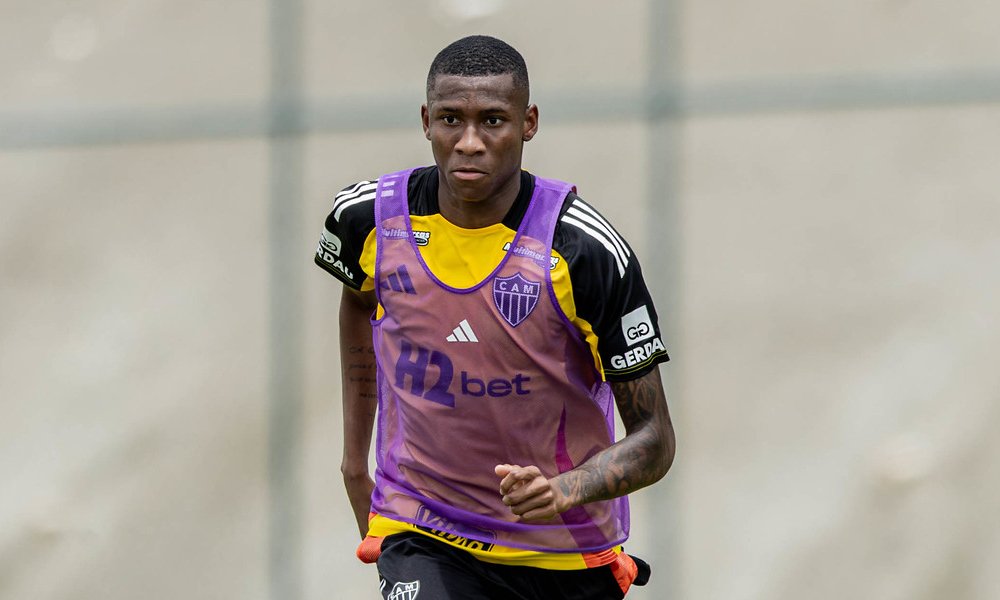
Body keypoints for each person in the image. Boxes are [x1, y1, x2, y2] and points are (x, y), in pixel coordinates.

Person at [315, 35, 675, 600]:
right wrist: (354, 464)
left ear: (529, 123)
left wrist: (564, 489)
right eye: (451, 120)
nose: (470, 143)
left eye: (493, 121)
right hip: (425, 528)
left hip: (563, 552)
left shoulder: (584, 252)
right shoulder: (366, 220)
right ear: (425, 120)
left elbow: (655, 440)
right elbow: (360, 302)